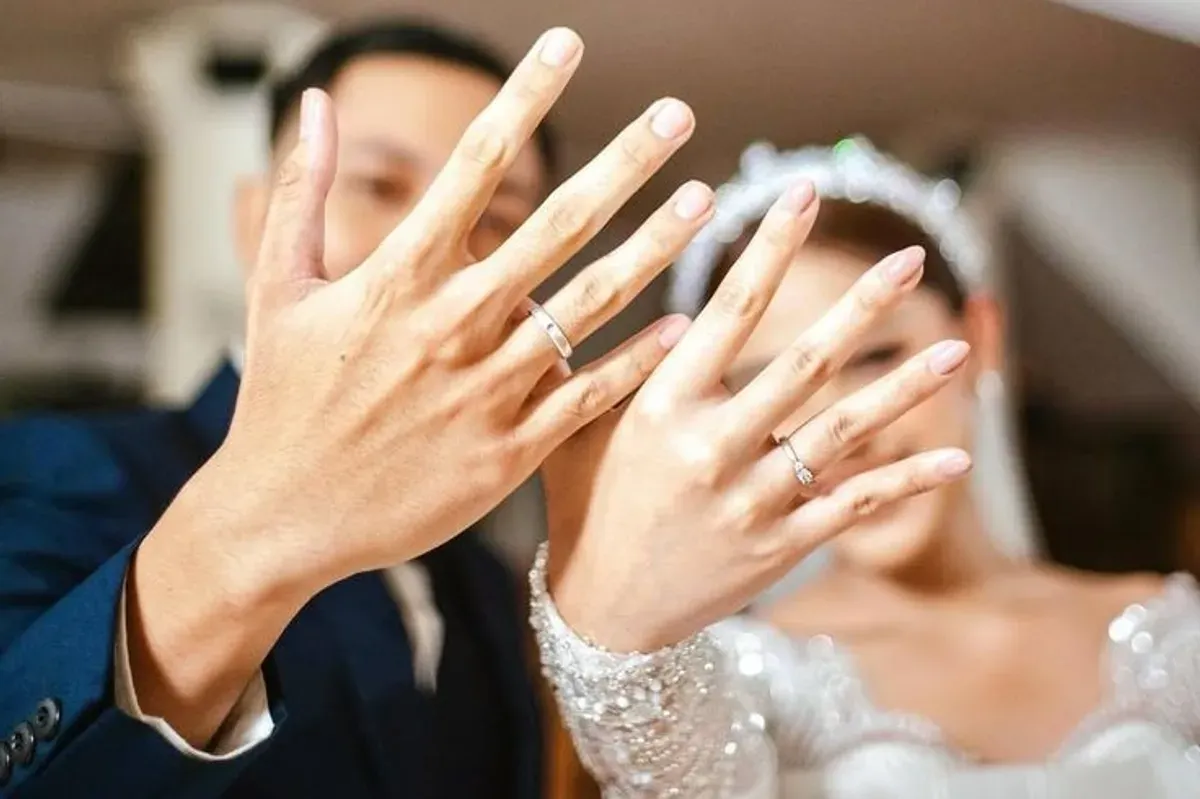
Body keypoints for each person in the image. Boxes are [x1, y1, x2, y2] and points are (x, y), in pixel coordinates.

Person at [0, 20, 712, 798]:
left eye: (495, 214)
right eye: (379, 186)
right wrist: (267, 519)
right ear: (257, 221)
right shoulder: (59, 468)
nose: (432, 244)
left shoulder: (489, 582)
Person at [533, 138, 1200, 797]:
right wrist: (607, 628)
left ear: (981, 335)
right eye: (774, 385)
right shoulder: (748, 677)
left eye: (876, 357)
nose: (839, 431)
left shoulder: (1175, 637)